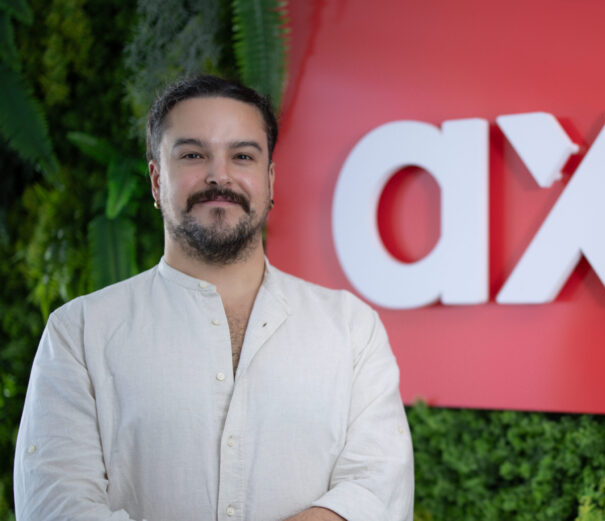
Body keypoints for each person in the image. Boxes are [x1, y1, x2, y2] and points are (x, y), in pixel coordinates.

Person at [13, 75, 414, 521]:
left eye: (242, 156)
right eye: (193, 155)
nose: (219, 175)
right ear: (156, 180)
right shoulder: (79, 332)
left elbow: (378, 488)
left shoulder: (352, 328)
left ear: (269, 180)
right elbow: (56, 504)